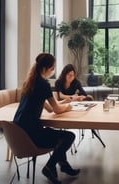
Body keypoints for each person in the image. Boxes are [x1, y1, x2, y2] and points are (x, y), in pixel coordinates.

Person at [13, 53, 80, 184]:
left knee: (59, 136)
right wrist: (69, 107)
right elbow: (56, 110)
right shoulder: (43, 84)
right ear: (46, 68)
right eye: (53, 68)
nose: (53, 71)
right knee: (69, 137)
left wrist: (64, 101)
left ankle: (64, 165)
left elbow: (49, 108)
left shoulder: (31, 82)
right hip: (31, 135)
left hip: (19, 131)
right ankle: (49, 167)